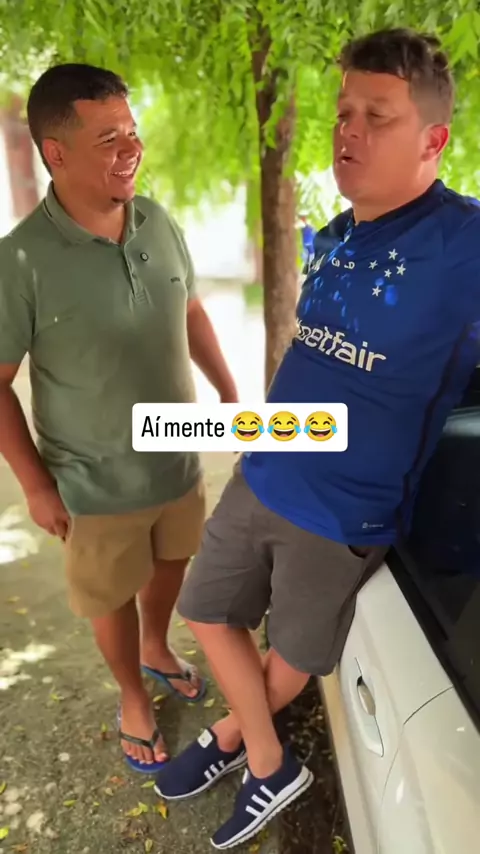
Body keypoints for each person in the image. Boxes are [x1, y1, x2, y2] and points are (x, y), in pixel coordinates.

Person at [153, 27, 480, 850]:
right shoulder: (335, 234)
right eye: (344, 113)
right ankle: (265, 756)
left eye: (378, 116)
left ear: (433, 140)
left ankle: (244, 748)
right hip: (266, 468)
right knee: (205, 610)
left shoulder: (464, 243)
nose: (349, 131)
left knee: (292, 653)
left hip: (343, 513)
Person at [0, 63, 238, 775]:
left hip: (178, 454)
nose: (132, 148)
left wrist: (229, 396)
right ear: (56, 152)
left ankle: (156, 645)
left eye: (131, 132)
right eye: (109, 138)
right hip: (93, 480)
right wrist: (36, 485)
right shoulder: (19, 260)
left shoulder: (157, 219)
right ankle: (133, 694)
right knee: (109, 595)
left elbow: (190, 309)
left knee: (172, 562)